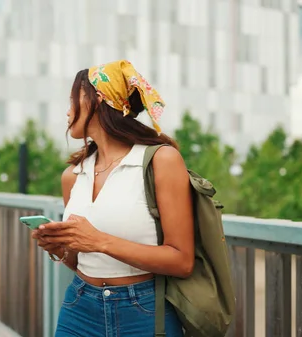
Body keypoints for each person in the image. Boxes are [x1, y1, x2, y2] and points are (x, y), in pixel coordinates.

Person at [31, 60, 194, 337]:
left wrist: (99, 240)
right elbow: (78, 259)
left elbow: (182, 261)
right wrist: (60, 248)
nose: (68, 111)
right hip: (79, 307)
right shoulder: (72, 175)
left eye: (73, 100)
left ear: (98, 101)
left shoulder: (161, 160)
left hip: (143, 311)